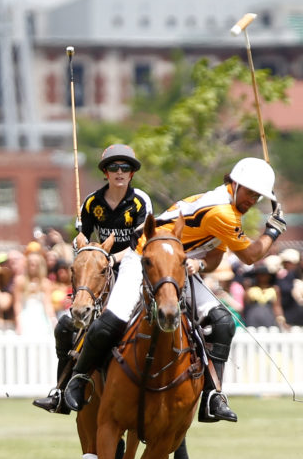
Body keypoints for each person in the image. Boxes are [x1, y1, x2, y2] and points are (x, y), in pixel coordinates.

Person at [59, 156, 287, 423]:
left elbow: (215, 256)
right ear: (234, 184)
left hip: (176, 267)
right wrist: (272, 231)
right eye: (249, 193)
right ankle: (79, 377)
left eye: (258, 197)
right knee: (114, 319)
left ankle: (213, 397)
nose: (252, 200)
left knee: (223, 322)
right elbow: (249, 256)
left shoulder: (230, 210)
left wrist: (199, 263)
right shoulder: (221, 212)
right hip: (144, 257)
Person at [33, 143, 153, 413]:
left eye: (125, 168)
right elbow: (84, 237)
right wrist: (82, 242)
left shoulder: (140, 201)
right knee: (65, 326)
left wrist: (111, 258)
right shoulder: (92, 202)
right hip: (100, 270)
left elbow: (139, 242)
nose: (119, 172)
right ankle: (61, 392)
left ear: (132, 173)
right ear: (105, 172)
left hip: (131, 266)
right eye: (113, 167)